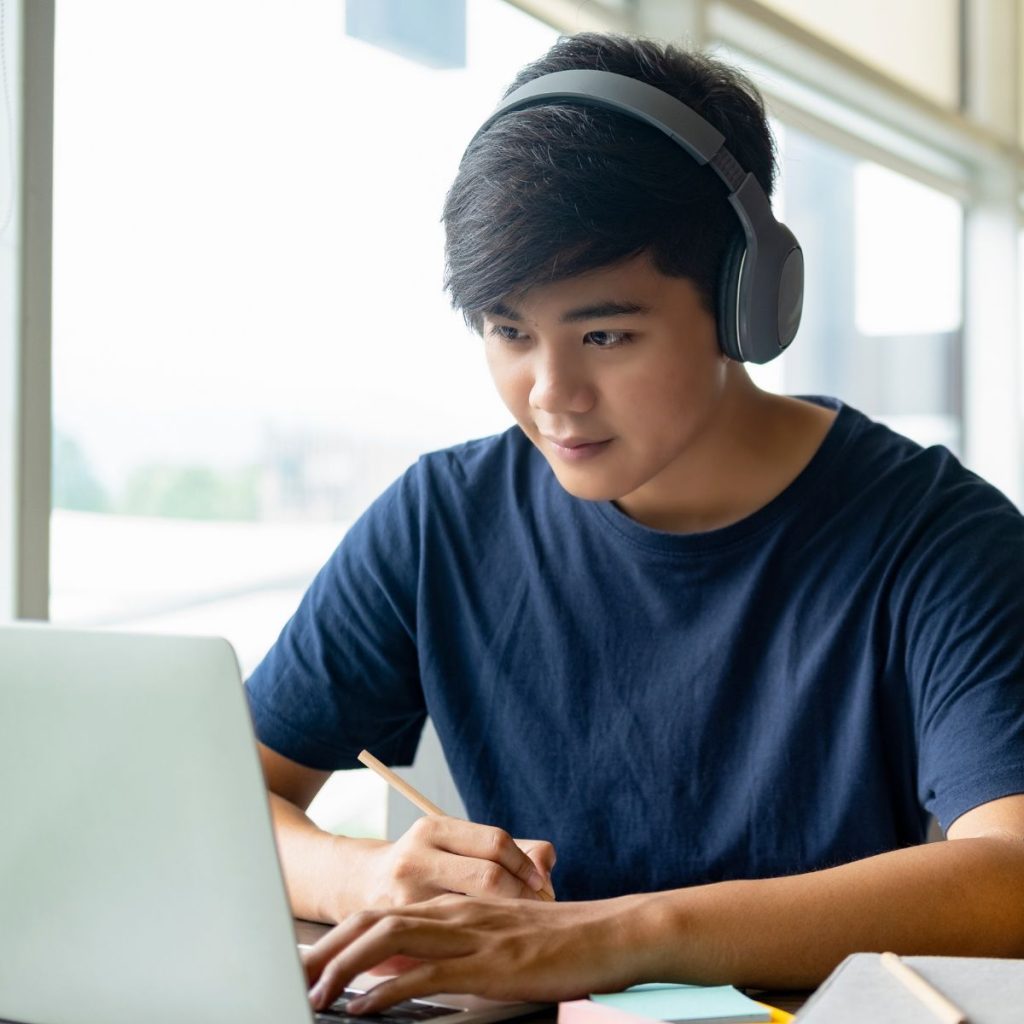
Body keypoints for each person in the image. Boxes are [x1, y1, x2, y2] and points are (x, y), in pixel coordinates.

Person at [244, 32, 1024, 1014]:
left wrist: (596, 935)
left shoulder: (939, 537)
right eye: (509, 332)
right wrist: (361, 878)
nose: (550, 395)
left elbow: (1011, 873)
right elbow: (223, 789)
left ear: (748, 304)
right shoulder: (441, 518)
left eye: (604, 333)